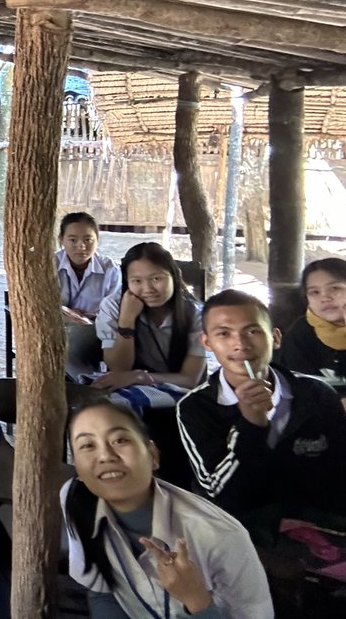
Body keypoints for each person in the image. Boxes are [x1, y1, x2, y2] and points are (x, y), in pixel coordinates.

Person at [63, 399, 272, 618]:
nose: (105, 456)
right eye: (87, 445)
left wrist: (197, 601)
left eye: (120, 440)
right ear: (77, 467)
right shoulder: (76, 501)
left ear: (153, 455)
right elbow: (103, 593)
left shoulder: (220, 537)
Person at [176, 290, 346, 540]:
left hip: (320, 528)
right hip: (241, 536)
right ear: (208, 343)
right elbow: (219, 493)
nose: (240, 344)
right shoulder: (197, 407)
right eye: (224, 333)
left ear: (275, 338)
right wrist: (251, 425)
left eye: (253, 331)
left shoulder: (315, 394)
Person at [93, 242, 206, 408]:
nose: (147, 289)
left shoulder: (195, 313)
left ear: (174, 276)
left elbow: (190, 379)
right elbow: (118, 368)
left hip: (182, 393)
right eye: (137, 281)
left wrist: (141, 377)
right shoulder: (113, 306)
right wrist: (126, 320)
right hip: (129, 386)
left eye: (156, 279)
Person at [274, 257, 346, 380]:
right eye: (315, 292)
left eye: (335, 288)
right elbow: (301, 389)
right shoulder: (301, 333)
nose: (325, 298)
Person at [57, 212, 121, 322]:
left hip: (97, 334)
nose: (81, 246)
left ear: (97, 240)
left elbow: (115, 312)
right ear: (61, 239)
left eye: (88, 240)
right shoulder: (49, 266)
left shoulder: (111, 271)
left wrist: (89, 317)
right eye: (73, 240)